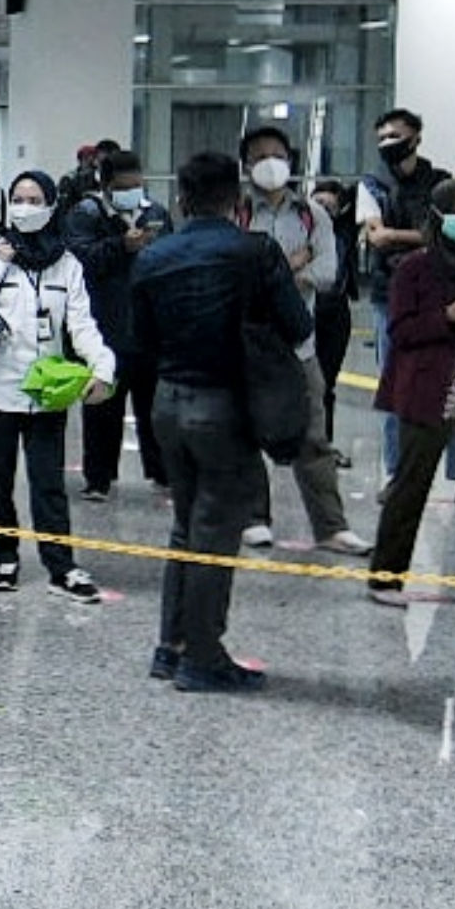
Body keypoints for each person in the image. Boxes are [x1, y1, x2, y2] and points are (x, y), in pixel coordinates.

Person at [132, 152, 313, 694]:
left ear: (182, 199)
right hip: (227, 406)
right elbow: (298, 325)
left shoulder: (154, 256)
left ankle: (171, 646)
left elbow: (140, 340)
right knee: (215, 533)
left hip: (168, 401)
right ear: (237, 200)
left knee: (185, 525)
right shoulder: (256, 251)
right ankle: (203, 657)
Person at [0, 171, 116, 598]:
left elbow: (81, 324)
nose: (25, 207)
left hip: (46, 392)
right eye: (18, 198)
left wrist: (102, 367)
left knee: (48, 482)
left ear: (52, 207)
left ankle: (62, 567)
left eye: (36, 200)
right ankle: (2, 558)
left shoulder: (67, 263)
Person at [365, 178, 455, 607]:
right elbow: (400, 330)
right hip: (428, 388)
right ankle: (386, 577)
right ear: (438, 216)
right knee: (411, 484)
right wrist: (447, 316)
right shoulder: (414, 268)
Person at [233, 126, 365, 556]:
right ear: (246, 165)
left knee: (314, 437)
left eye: (276, 154)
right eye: (259, 156)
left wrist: (276, 273)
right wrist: (291, 266)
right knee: (245, 434)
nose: (269, 163)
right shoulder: (236, 214)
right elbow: (230, 275)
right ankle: (254, 518)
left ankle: (332, 527)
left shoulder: (313, 215)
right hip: (248, 345)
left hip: (298, 345)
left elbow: (327, 274)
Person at [63, 143, 169, 501]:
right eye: (124, 187)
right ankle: (99, 477)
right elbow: (78, 260)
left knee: (153, 408)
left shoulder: (155, 214)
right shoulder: (86, 215)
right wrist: (119, 246)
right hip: (104, 327)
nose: (132, 193)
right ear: (106, 185)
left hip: (149, 330)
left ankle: (163, 472)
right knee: (102, 408)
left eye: (137, 185)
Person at [357, 108, 451, 470]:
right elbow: (376, 237)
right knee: (394, 381)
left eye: (395, 136)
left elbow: (443, 234)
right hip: (389, 294)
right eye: (382, 138)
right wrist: (419, 237)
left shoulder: (441, 182)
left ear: (416, 138)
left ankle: (450, 474)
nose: (388, 143)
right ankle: (396, 471)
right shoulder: (372, 183)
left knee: (447, 380)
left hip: (437, 291)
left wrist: (396, 235)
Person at [304, 175, 361, 449]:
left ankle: (323, 444)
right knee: (301, 380)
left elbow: (361, 195)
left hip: (336, 310)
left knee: (326, 382)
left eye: (329, 207)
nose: (322, 211)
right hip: (305, 306)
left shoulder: (344, 231)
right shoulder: (299, 229)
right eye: (318, 204)